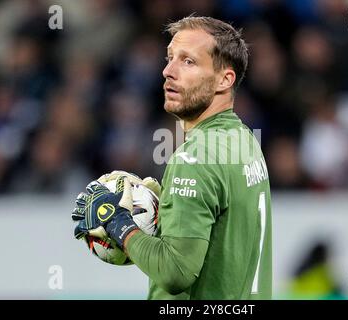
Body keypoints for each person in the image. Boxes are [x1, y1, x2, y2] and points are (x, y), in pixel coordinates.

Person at [71, 16, 272, 300]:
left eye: (188, 61)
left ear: (225, 79)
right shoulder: (243, 139)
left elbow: (175, 272)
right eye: (170, 58)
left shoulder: (195, 157)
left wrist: (120, 225)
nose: (168, 71)